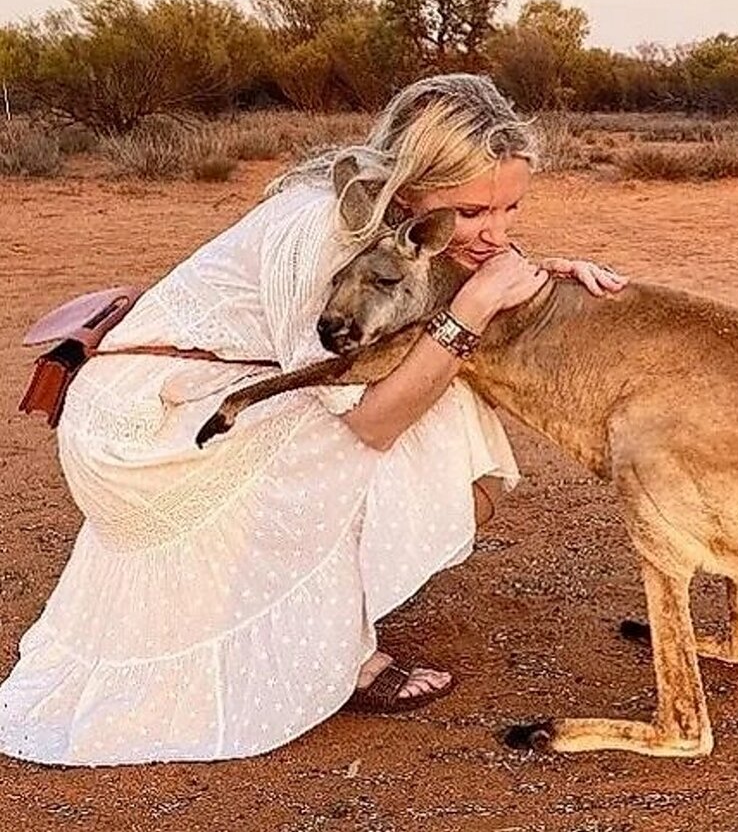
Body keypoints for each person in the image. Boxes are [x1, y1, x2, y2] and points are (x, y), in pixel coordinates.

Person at [0, 74, 626, 766]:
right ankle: (344, 653)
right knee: (416, 413)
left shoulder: (396, 224)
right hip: (144, 426)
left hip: (191, 395)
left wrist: (548, 283)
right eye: (475, 212)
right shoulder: (332, 229)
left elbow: (432, 298)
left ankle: (329, 614)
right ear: (413, 190)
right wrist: (476, 306)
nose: (496, 233)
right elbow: (372, 421)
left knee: (439, 385)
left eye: (511, 209)